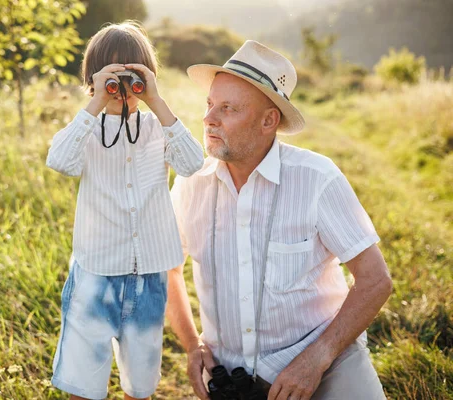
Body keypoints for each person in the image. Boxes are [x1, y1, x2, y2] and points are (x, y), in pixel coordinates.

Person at [167, 40, 393, 400]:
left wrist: (316, 359)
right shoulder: (189, 184)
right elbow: (168, 269)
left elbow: (375, 280)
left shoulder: (317, 178)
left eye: (228, 108)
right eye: (210, 104)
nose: (209, 118)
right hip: (232, 377)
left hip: (327, 358)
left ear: (268, 120)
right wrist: (193, 345)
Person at [45, 21, 204, 400]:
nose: (122, 85)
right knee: (84, 386)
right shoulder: (87, 130)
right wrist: (97, 101)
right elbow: (59, 160)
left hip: (149, 276)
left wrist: (155, 101)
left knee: (140, 385)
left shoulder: (155, 127)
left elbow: (192, 163)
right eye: (112, 76)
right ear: (93, 78)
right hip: (95, 275)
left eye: (134, 74)